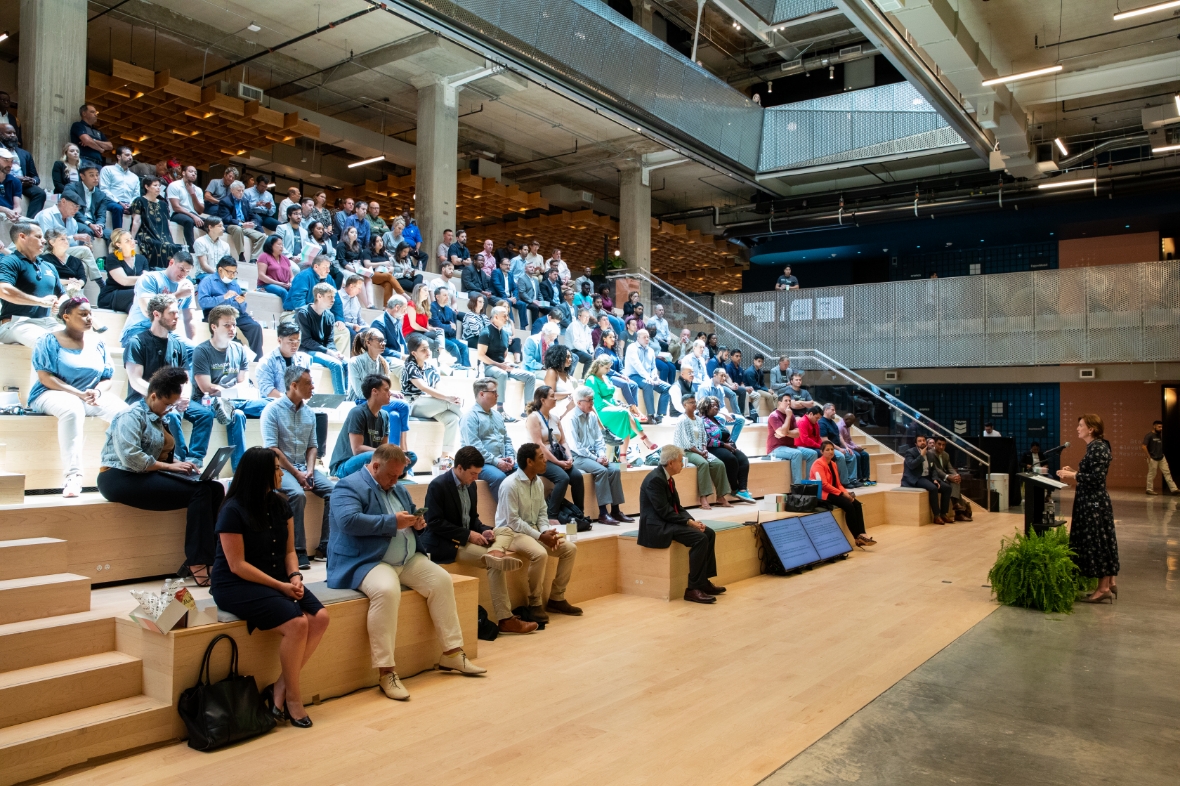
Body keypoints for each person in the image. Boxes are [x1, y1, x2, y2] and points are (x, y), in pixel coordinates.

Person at [328, 444, 486, 701]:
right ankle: (386, 671)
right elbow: (348, 521)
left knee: (442, 580)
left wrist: (418, 524)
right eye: (391, 475)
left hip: (407, 558)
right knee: (387, 592)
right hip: (369, 560)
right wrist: (393, 522)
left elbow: (412, 519)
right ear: (375, 466)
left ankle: (452, 654)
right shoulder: (347, 486)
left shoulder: (398, 488)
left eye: (399, 475)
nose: (396, 480)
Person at [209, 446, 329, 728]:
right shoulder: (232, 509)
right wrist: (281, 586)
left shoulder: (280, 503)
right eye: (276, 469)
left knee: (320, 617)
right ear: (260, 474)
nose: (281, 473)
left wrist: (296, 577)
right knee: (298, 624)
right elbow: (237, 565)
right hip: (236, 584)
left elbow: (289, 551)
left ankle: (279, 688)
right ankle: (293, 701)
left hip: (276, 578)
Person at [97, 366, 225, 586]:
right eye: (167, 404)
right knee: (200, 492)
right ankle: (198, 561)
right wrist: (170, 468)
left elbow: (158, 456)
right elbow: (132, 458)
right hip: (118, 477)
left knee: (214, 489)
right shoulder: (129, 415)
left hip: (142, 474)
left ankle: (210, 557)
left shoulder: (158, 417)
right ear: (153, 396)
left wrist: (180, 464)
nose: (169, 409)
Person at [421, 446, 536, 634]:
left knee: (505, 530)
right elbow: (433, 523)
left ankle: (495, 551)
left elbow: (473, 519)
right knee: (495, 565)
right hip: (446, 543)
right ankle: (506, 619)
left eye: (478, 473)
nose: (476, 478)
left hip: (467, 538)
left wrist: (483, 531)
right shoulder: (438, 485)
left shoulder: (472, 485)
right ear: (459, 468)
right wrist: (468, 535)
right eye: (473, 473)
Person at [29, 297, 128, 496]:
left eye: (90, 313)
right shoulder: (49, 340)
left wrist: (97, 391)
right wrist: (78, 394)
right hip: (50, 394)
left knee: (125, 413)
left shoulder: (98, 343)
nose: (89, 318)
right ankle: (73, 477)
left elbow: (107, 378)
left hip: (88, 396)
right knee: (72, 407)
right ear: (66, 317)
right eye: (83, 314)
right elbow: (45, 377)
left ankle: (120, 469)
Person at [495, 443, 583, 623]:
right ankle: (534, 604)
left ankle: (556, 599)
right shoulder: (509, 485)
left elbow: (543, 513)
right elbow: (513, 522)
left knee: (569, 549)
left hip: (533, 531)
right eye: (542, 457)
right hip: (509, 533)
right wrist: (540, 536)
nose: (545, 460)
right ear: (529, 462)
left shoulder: (538, 483)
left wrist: (546, 532)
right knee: (540, 554)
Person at [123, 293, 212, 469]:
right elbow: (135, 381)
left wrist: (184, 396)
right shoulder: (137, 342)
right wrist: (168, 399)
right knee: (170, 415)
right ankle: (179, 462)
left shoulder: (178, 344)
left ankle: (195, 461)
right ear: (156, 314)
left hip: (173, 398)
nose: (177, 316)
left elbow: (185, 378)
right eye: (172, 313)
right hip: (145, 399)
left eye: (178, 312)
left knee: (205, 414)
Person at [262, 366, 335, 567]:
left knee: (336, 492)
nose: (313, 386)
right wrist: (297, 474)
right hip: (279, 468)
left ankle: (325, 547)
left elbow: (313, 446)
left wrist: (309, 470)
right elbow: (273, 449)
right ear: (293, 385)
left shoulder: (310, 413)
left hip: (304, 466)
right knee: (297, 494)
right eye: (308, 383)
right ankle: (297, 550)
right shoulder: (272, 411)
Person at [638, 445, 725, 604]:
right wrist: (688, 523)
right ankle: (693, 588)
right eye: (680, 461)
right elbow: (664, 511)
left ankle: (704, 581)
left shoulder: (666, 477)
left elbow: (678, 507)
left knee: (709, 533)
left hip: (667, 521)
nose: (683, 464)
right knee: (700, 539)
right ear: (671, 463)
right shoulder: (655, 480)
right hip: (657, 526)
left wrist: (694, 522)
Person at [191, 303, 268, 470]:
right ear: (214, 327)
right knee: (238, 415)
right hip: (208, 401)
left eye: (234, 324)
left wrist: (229, 392)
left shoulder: (239, 349)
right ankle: (240, 470)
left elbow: (243, 381)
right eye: (227, 325)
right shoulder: (201, 351)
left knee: (273, 405)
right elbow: (206, 387)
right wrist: (227, 392)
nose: (232, 329)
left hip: (235, 399)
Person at [1057, 414, 1118, 603]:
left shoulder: (1098, 447)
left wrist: (1073, 475)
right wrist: (1076, 472)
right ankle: (1108, 582)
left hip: (1094, 503)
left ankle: (1103, 588)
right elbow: (1091, 473)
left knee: (1097, 542)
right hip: (1091, 501)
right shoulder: (1095, 447)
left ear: (1091, 429)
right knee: (1101, 540)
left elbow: (1096, 479)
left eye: (1081, 425)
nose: (1077, 428)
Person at [568, 385, 634, 525]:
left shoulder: (592, 416)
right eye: (589, 400)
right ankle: (603, 513)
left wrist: (602, 455)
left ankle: (615, 510)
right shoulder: (571, 418)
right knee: (601, 470)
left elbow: (599, 439)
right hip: (577, 457)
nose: (592, 403)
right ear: (579, 402)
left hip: (593, 455)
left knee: (615, 470)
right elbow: (576, 447)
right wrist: (596, 458)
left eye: (592, 400)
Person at [524, 386, 585, 522]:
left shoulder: (555, 418)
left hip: (558, 457)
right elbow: (538, 444)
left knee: (577, 477)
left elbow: (563, 441)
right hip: (540, 459)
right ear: (543, 400)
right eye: (552, 396)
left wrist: (569, 458)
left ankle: (579, 513)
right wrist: (558, 463)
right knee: (562, 478)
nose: (555, 398)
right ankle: (551, 515)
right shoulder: (534, 418)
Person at [0, 220, 63, 347]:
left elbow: (62, 294)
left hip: (48, 322)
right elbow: (3, 290)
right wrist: (40, 301)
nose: (44, 241)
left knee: (80, 342)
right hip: (17, 323)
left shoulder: (49, 266)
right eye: (38, 237)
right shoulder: (9, 261)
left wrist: (60, 303)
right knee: (48, 343)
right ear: (22, 237)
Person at [119, 249, 196, 349]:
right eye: (181, 269)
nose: (184, 274)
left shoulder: (187, 285)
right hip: (139, 329)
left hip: (167, 333)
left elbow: (189, 319)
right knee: (158, 349)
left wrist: (194, 346)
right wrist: (177, 295)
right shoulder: (149, 278)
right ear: (171, 262)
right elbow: (148, 311)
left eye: (187, 272)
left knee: (195, 351)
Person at [586, 356, 656, 462]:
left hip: (610, 407)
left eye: (610, 368)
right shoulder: (591, 379)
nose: (609, 370)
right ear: (599, 366)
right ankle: (644, 439)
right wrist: (615, 407)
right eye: (607, 368)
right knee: (624, 413)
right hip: (599, 411)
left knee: (625, 416)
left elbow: (611, 397)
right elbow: (597, 401)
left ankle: (623, 456)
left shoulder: (605, 377)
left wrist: (619, 404)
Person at [402, 335, 464, 451]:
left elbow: (439, 386)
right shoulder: (410, 367)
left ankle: (445, 458)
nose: (428, 351)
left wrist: (453, 397)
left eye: (428, 348)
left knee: (452, 419)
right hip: (414, 405)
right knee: (450, 403)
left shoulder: (431, 367)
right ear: (414, 353)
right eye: (423, 349)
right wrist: (448, 398)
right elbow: (424, 388)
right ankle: (469, 423)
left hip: (431, 405)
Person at [459, 377, 517, 500]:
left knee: (527, 472)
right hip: (481, 462)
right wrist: (497, 461)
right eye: (494, 392)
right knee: (499, 477)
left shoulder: (497, 415)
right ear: (482, 394)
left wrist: (511, 457)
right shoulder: (470, 417)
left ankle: (527, 513)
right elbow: (474, 448)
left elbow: (506, 439)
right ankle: (506, 516)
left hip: (502, 460)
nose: (497, 395)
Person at [673, 391, 732, 510]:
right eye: (691, 403)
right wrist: (700, 453)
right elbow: (685, 443)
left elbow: (704, 438)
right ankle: (703, 497)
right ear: (684, 405)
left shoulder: (699, 420)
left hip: (700, 450)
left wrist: (704, 449)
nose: (694, 404)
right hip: (685, 451)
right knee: (703, 463)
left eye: (695, 402)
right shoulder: (681, 420)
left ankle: (720, 496)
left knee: (718, 464)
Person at [475, 305, 535, 421]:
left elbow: (504, 355)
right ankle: (500, 410)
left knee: (530, 376)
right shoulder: (485, 332)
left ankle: (528, 410)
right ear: (496, 317)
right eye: (505, 316)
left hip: (502, 366)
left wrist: (509, 364)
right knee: (501, 374)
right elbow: (481, 355)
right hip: (489, 366)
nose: (507, 318)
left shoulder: (506, 334)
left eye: (507, 315)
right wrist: (499, 365)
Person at [196, 256, 263, 358]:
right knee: (230, 331)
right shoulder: (207, 281)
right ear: (220, 270)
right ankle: (242, 354)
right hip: (216, 313)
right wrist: (223, 297)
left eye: (234, 272)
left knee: (255, 327)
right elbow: (203, 302)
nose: (232, 276)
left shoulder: (235, 284)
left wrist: (241, 302)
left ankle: (257, 359)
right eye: (229, 272)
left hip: (235, 313)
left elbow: (243, 309)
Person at [811, 441, 875, 548]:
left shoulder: (833, 464)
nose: (831, 452)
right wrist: (842, 494)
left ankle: (863, 534)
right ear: (822, 452)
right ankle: (857, 537)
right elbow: (824, 485)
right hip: (823, 493)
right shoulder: (818, 464)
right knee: (849, 506)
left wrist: (846, 493)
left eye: (832, 449)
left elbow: (838, 484)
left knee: (857, 504)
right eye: (827, 450)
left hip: (834, 491)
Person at [329, 373, 393, 479]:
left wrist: (396, 454)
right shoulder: (357, 412)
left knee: (410, 456)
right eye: (386, 390)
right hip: (344, 465)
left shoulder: (385, 416)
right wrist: (389, 453)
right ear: (374, 391)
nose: (390, 393)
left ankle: (387, 472)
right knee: (373, 456)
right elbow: (357, 449)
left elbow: (383, 448)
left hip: (373, 461)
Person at [33, 192, 101, 283]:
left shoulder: (73, 222)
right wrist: (74, 237)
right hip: (44, 250)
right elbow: (47, 240)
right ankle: (100, 283)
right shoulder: (46, 215)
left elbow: (71, 246)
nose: (76, 210)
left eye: (78, 207)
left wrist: (83, 246)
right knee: (84, 251)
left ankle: (77, 293)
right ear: (63, 201)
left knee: (83, 258)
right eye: (74, 206)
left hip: (62, 252)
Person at [295, 282, 347, 394]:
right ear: (319, 296)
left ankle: (348, 396)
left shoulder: (329, 315)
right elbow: (306, 340)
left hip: (323, 351)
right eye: (329, 297)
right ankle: (341, 398)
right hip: (307, 350)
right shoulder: (303, 313)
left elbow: (329, 340)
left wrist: (334, 352)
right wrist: (328, 352)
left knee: (346, 362)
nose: (333, 300)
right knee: (336, 364)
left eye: (333, 297)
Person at [700, 396, 754, 503]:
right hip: (711, 448)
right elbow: (706, 440)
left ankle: (742, 490)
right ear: (705, 406)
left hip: (724, 445)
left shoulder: (719, 420)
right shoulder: (702, 421)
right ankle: (734, 488)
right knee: (731, 459)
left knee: (743, 459)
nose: (716, 407)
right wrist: (724, 445)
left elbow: (725, 434)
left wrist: (731, 443)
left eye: (717, 405)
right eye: (712, 405)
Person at [129, 175, 181, 270]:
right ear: (147, 187)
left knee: (173, 247)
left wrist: (171, 239)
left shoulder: (163, 204)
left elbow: (168, 224)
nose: (158, 188)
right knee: (157, 245)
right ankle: (153, 269)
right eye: (155, 185)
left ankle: (168, 272)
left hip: (163, 235)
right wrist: (131, 238)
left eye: (159, 186)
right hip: (146, 232)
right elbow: (136, 221)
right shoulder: (139, 201)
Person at [766, 392, 816, 484]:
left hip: (790, 447)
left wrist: (785, 433)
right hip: (775, 448)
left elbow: (797, 434)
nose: (788, 403)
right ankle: (798, 486)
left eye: (789, 401)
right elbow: (783, 432)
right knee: (796, 454)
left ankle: (809, 484)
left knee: (812, 454)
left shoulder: (791, 415)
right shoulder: (774, 416)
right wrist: (788, 417)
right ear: (779, 403)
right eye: (786, 401)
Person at [901, 434, 952, 524]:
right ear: (916, 443)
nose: (922, 442)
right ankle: (936, 516)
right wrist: (921, 456)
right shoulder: (910, 452)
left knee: (947, 488)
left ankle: (943, 514)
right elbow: (911, 465)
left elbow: (933, 469)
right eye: (920, 441)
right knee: (933, 488)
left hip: (928, 476)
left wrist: (935, 479)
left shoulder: (930, 453)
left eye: (924, 440)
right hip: (916, 478)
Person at [625, 328, 672, 424]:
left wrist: (654, 376)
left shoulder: (650, 350)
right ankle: (650, 415)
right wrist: (648, 378)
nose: (647, 339)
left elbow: (653, 367)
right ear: (638, 338)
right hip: (634, 375)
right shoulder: (632, 348)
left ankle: (660, 415)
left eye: (648, 337)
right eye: (644, 337)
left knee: (667, 387)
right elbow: (637, 365)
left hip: (648, 376)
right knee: (648, 384)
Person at [214, 180, 267, 261]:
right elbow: (226, 218)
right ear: (232, 190)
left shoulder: (245, 201)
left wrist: (253, 222)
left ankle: (254, 259)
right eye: (239, 190)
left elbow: (251, 214)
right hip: (230, 225)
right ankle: (241, 255)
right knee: (238, 229)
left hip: (244, 225)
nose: (241, 193)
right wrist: (240, 224)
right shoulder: (225, 201)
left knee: (262, 237)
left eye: (242, 190)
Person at [0, 122, 45, 217]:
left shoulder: (25, 154)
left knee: (40, 193)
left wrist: (31, 180)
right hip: (5, 181)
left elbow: (36, 176)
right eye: (8, 133)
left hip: (23, 184)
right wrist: (16, 178)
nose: (13, 135)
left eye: (14, 133)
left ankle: (30, 222)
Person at [819, 403, 859, 488]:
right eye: (832, 410)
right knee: (841, 456)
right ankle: (844, 482)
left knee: (852, 455)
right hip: (829, 448)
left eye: (834, 410)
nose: (834, 412)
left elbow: (839, 436)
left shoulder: (833, 423)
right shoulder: (822, 423)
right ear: (826, 410)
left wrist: (846, 447)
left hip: (837, 447)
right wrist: (839, 449)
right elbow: (825, 440)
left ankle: (852, 479)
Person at [166, 165, 206, 251]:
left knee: (211, 223)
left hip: (193, 214)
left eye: (195, 173)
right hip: (176, 214)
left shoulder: (197, 190)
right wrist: (193, 216)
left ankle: (208, 249)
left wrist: (192, 194)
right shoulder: (174, 185)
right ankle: (191, 249)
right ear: (183, 173)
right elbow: (176, 207)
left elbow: (200, 211)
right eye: (191, 171)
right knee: (189, 221)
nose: (193, 174)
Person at [429, 287, 471, 368]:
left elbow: (453, 330)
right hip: (438, 336)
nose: (447, 297)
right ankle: (458, 367)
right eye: (444, 295)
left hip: (449, 337)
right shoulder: (432, 307)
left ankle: (466, 368)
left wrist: (449, 327)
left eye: (448, 295)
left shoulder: (449, 310)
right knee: (453, 346)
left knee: (464, 347)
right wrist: (449, 327)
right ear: (437, 297)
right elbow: (437, 326)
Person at [931, 437, 971, 521]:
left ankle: (957, 506)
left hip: (945, 477)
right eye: (939, 444)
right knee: (951, 483)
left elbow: (950, 468)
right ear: (935, 444)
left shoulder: (946, 455)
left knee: (956, 480)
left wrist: (956, 475)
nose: (941, 447)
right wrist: (948, 477)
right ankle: (958, 509)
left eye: (943, 445)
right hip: (935, 477)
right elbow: (935, 469)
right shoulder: (930, 453)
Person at [39, 228, 87, 295]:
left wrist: (79, 283)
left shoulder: (76, 261)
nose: (66, 241)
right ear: (51, 242)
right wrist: (68, 282)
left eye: (67, 239)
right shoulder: (44, 259)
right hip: (54, 291)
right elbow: (48, 278)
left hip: (74, 290)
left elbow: (83, 278)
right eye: (62, 239)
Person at [71, 104, 113, 168]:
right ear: (84, 113)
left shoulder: (98, 131)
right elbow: (87, 140)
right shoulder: (78, 125)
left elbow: (110, 146)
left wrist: (94, 141)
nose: (96, 114)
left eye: (95, 112)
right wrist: (100, 149)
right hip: (84, 160)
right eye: (92, 112)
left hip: (98, 163)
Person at [1143, 420, 1177, 495]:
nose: (1161, 428)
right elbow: (1143, 446)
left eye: (1161, 427)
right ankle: (1149, 489)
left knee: (1167, 472)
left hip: (1161, 457)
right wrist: (1148, 456)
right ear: (1154, 426)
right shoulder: (1149, 435)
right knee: (1152, 474)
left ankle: (1174, 489)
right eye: (1159, 427)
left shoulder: (1159, 435)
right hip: (1152, 458)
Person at [839, 413, 873, 485]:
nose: (851, 425)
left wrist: (856, 446)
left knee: (865, 454)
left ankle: (865, 477)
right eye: (851, 423)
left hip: (849, 446)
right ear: (846, 419)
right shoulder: (840, 427)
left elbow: (849, 440)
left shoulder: (847, 425)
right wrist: (854, 448)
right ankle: (858, 478)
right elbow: (842, 443)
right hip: (843, 447)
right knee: (857, 455)